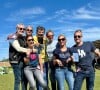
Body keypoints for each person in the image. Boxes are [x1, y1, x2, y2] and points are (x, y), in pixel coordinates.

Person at [8, 23, 31, 90]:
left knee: (23, 80)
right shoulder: (12, 37)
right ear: (17, 29)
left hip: (22, 61)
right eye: (20, 28)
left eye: (23, 29)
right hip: (15, 61)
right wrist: (29, 50)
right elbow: (18, 49)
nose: (22, 30)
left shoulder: (22, 38)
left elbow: (29, 39)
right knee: (18, 80)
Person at [33, 26, 48, 90]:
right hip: (37, 62)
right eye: (39, 32)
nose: (41, 33)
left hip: (45, 61)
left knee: (45, 79)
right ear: (36, 32)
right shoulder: (33, 38)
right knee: (39, 80)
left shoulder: (45, 39)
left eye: (42, 32)